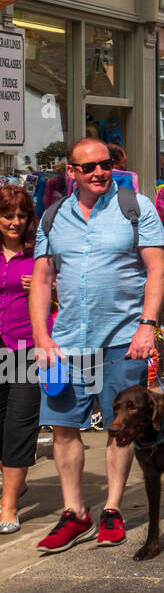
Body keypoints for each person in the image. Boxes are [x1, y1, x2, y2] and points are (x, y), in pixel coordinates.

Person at [30, 138, 164, 552]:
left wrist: (148, 326)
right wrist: (42, 337)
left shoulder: (136, 207)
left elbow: (157, 269)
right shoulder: (53, 216)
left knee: (120, 427)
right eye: (87, 167)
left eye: (105, 164)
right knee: (64, 428)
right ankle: (74, 512)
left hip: (123, 339)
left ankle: (112, 508)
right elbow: (41, 280)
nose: (98, 173)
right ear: (70, 171)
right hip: (68, 344)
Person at [0, 185, 43, 533]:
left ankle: (8, 505)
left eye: (21, 215)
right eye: (8, 215)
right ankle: (12, 483)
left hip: (24, 349)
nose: (15, 222)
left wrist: (46, 288)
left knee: (18, 425)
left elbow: (68, 290)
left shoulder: (39, 251)